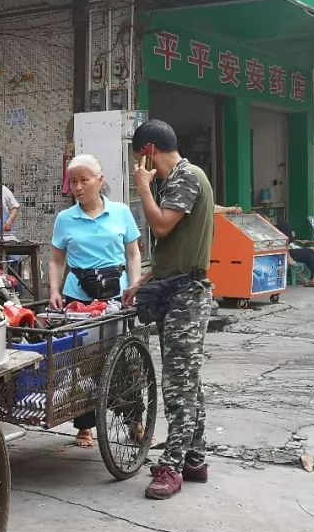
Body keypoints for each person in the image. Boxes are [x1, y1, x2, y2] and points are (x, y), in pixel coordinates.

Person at [126, 119, 214, 501]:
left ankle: (173, 466)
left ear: (148, 151)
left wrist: (143, 188)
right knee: (188, 380)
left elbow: (161, 227)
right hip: (174, 287)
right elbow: (171, 250)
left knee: (178, 385)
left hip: (187, 295)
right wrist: (142, 280)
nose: (139, 171)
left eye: (139, 162)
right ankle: (195, 457)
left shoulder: (186, 177)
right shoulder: (175, 180)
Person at [48, 154, 143, 447]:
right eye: (72, 181)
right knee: (83, 362)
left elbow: (132, 253)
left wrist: (135, 284)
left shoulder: (121, 212)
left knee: (124, 359)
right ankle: (84, 426)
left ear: (99, 181)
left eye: (83, 180)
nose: (77, 187)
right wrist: (54, 289)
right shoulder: (65, 219)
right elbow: (55, 259)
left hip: (117, 297)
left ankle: (134, 419)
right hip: (79, 298)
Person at [277, 222, 314, 287]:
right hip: (282, 252)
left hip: (289, 249)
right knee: (310, 252)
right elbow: (282, 247)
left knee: (313, 251)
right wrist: (289, 258)